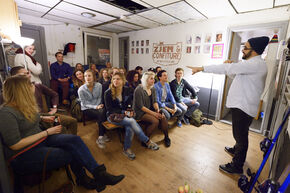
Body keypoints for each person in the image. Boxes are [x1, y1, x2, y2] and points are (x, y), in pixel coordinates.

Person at [0, 75, 124, 192]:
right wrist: (47, 132)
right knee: (72, 152)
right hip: (24, 154)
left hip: (40, 141)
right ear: (21, 91)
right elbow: (14, 145)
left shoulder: (22, 106)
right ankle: (85, 179)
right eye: (30, 85)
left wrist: (43, 118)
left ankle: (99, 174)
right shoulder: (6, 113)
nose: (34, 87)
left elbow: (31, 118)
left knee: (74, 140)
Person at [187, 36, 269, 174]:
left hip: (243, 107)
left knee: (241, 137)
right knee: (240, 134)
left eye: (245, 48)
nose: (243, 50)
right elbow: (236, 76)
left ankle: (237, 166)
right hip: (242, 106)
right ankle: (236, 150)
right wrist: (229, 67)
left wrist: (201, 68)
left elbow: (226, 69)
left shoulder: (254, 64)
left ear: (253, 51)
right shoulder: (252, 64)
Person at [104, 72, 159, 160]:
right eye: (114, 79)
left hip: (126, 114)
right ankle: (147, 141)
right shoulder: (108, 93)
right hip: (113, 116)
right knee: (131, 121)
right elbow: (110, 109)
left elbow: (130, 104)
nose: (115, 81)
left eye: (118, 79)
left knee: (130, 125)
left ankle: (126, 149)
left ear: (123, 80)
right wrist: (124, 112)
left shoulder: (127, 89)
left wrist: (130, 111)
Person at [10, 66, 78, 135]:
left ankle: (71, 140)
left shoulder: (37, 86)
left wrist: (54, 107)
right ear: (15, 78)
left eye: (28, 73)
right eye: (24, 75)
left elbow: (54, 95)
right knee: (61, 130)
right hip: (31, 119)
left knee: (71, 121)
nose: (29, 76)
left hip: (45, 115)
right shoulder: (12, 93)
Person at [133, 72, 171, 147]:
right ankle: (145, 140)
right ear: (146, 80)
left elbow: (154, 101)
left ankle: (166, 137)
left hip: (149, 109)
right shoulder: (139, 89)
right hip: (139, 112)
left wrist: (157, 110)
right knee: (155, 121)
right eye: (151, 79)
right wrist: (154, 114)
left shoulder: (152, 88)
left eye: (153, 78)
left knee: (162, 116)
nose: (153, 80)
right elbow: (141, 107)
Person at [78, 70, 108, 149]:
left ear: (93, 77)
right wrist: (95, 107)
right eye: (85, 76)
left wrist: (99, 105)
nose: (87, 78)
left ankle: (102, 132)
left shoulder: (99, 85)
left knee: (103, 111)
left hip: (98, 105)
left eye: (89, 75)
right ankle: (101, 136)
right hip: (86, 108)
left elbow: (99, 97)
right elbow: (84, 104)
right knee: (101, 113)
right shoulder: (81, 90)